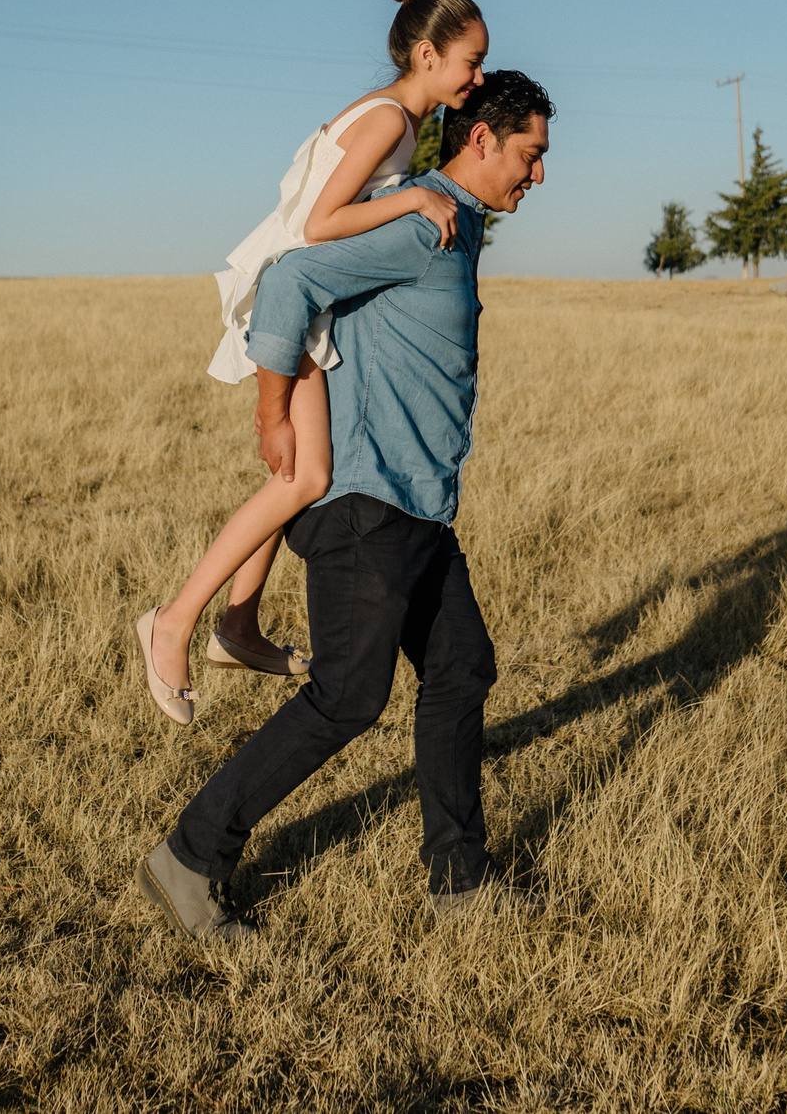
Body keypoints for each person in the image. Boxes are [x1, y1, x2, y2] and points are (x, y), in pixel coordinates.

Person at [136, 69, 554, 940]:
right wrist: (271, 416)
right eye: (530, 153)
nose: (538, 174)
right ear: (482, 139)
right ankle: (190, 857)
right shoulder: (419, 224)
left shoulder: (451, 223)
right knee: (347, 697)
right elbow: (289, 281)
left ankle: (460, 882)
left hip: (417, 506)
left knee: (461, 669)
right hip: (366, 502)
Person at [133, 0, 489, 726]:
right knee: (303, 476)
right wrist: (420, 197)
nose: (478, 76)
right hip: (289, 297)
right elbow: (321, 225)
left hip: (303, 297)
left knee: (301, 474)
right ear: (428, 55)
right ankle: (174, 622)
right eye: (470, 61)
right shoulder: (392, 120)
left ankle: (238, 627)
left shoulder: (394, 116)